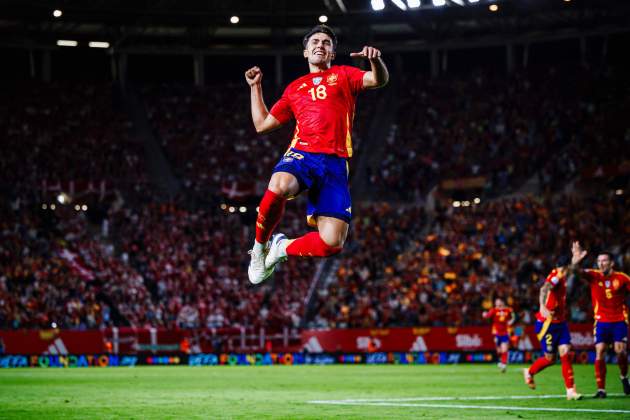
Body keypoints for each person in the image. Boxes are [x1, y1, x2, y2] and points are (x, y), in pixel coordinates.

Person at [244, 24, 389, 284]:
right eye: (315, 42)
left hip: (335, 164)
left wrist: (375, 62)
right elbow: (262, 124)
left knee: (332, 242)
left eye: (326, 42)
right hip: (303, 153)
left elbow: (378, 80)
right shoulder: (294, 88)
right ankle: (258, 249)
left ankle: (281, 248)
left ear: (333, 53)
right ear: (305, 52)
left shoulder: (344, 75)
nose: (320, 45)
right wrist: (256, 87)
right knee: (280, 184)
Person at [571, 242, 630, 398]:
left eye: (604, 261)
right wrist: (576, 259)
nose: (601, 263)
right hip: (601, 321)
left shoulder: (622, 278)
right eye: (599, 261)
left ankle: (624, 377)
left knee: (621, 351)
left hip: (619, 319)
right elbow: (574, 272)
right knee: (600, 351)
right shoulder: (593, 276)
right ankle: (601, 389)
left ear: (611, 263)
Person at [523, 249, 582, 400]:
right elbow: (544, 288)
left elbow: (572, 271)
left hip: (560, 323)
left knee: (565, 353)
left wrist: (576, 260)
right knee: (550, 359)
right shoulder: (556, 277)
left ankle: (570, 390)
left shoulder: (563, 274)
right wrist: (542, 306)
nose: (565, 272)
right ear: (561, 268)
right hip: (547, 324)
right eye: (564, 269)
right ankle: (529, 372)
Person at [482, 297, 515, 373]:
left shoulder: (508, 310)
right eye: (496, 302)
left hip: (505, 332)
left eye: (498, 301)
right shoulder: (494, 310)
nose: (497, 303)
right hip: (496, 333)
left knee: (504, 349)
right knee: (499, 350)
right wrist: (484, 315)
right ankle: (501, 361)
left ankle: (503, 364)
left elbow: (513, 317)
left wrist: (511, 321)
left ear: (502, 302)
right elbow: (487, 316)